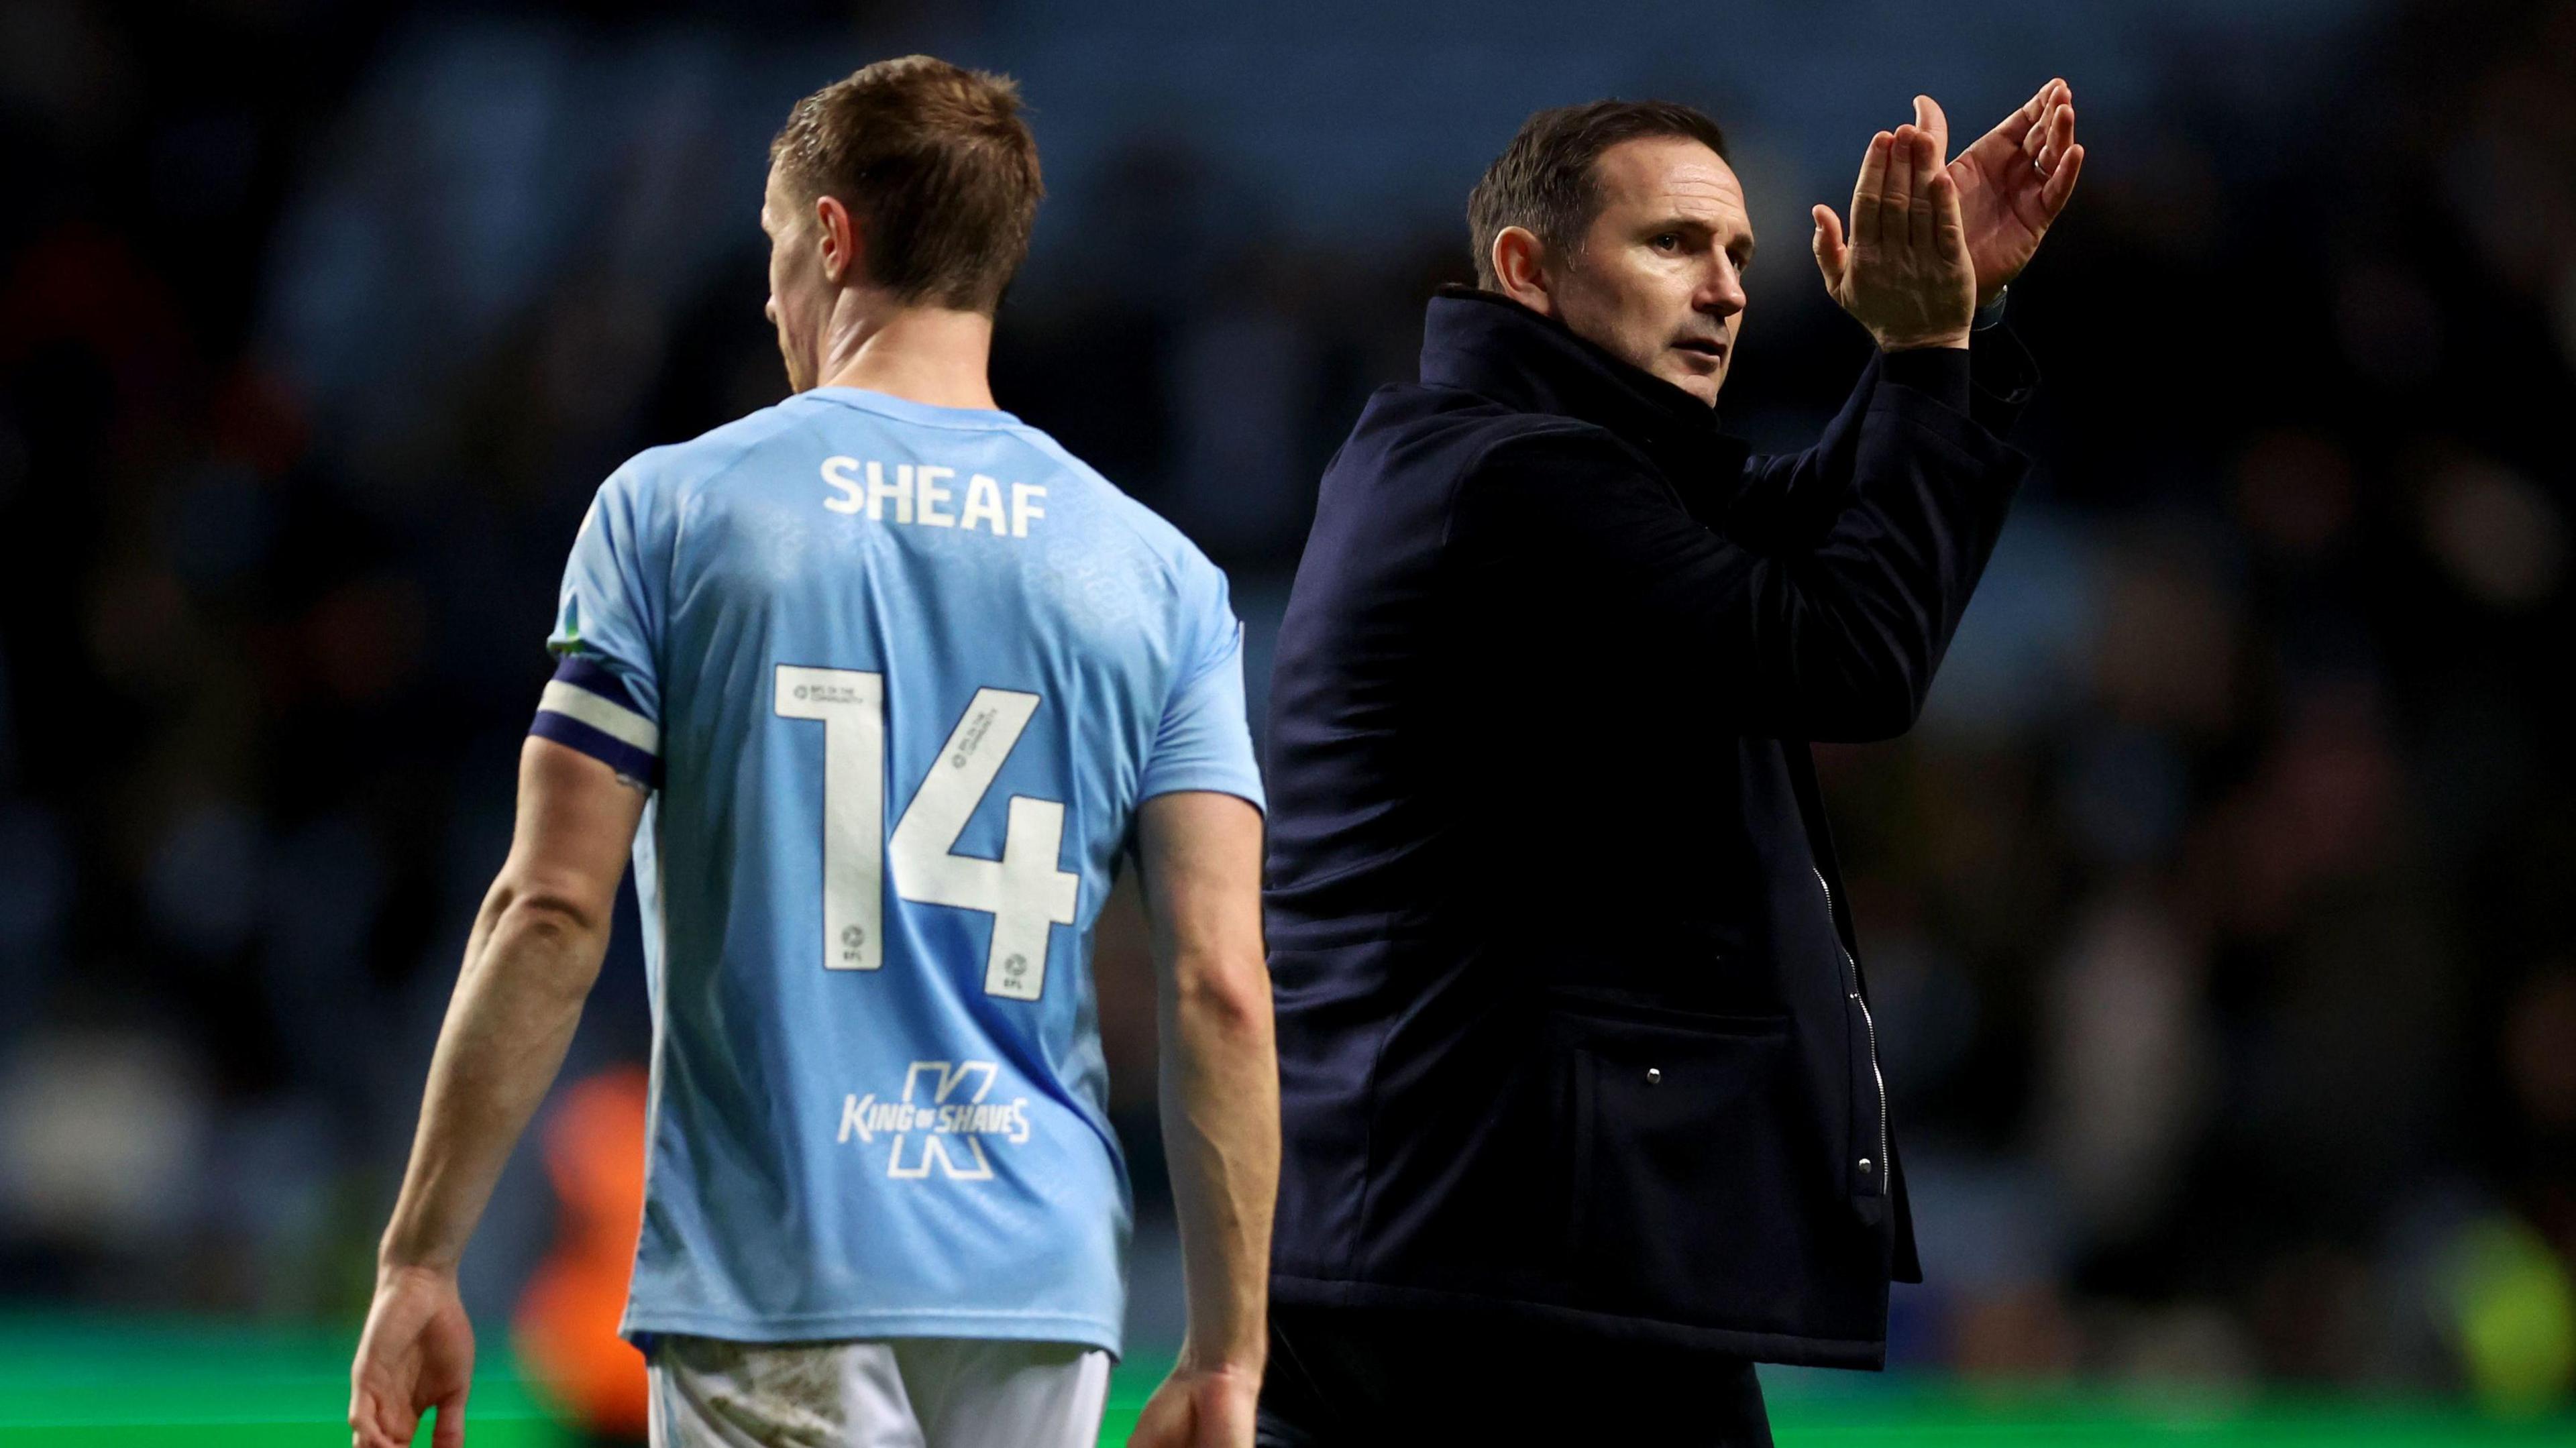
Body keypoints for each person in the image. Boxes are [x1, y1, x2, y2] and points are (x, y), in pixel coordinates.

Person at [348, 55, 1277, 1448]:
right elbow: (1218, 988)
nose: (776, 296)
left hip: (776, 1268)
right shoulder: (1159, 576)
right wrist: (1227, 1350)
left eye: (779, 253)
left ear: (830, 238)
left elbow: (549, 907)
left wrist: (419, 1256)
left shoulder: (675, 510)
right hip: (1040, 1286)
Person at [1258, 86, 2082, 1446]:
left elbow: (1796, 525)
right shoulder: (1518, 485)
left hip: (1446, 1227)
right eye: (1673, 246)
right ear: (1526, 268)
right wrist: (1924, 348)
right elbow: (1849, 652)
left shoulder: (1491, 460)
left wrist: (1948, 327)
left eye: (1741, 259)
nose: (1725, 292)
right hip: (1516, 1262)